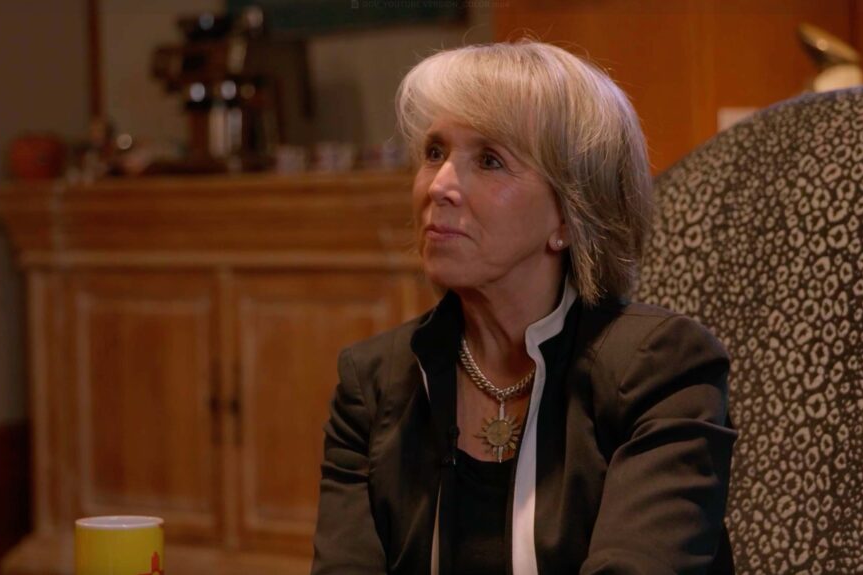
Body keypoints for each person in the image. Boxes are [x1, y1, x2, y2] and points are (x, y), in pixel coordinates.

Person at [311, 39, 737, 575]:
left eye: (489, 160)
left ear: (570, 215)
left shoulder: (662, 369)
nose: (439, 186)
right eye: (435, 152)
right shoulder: (372, 383)